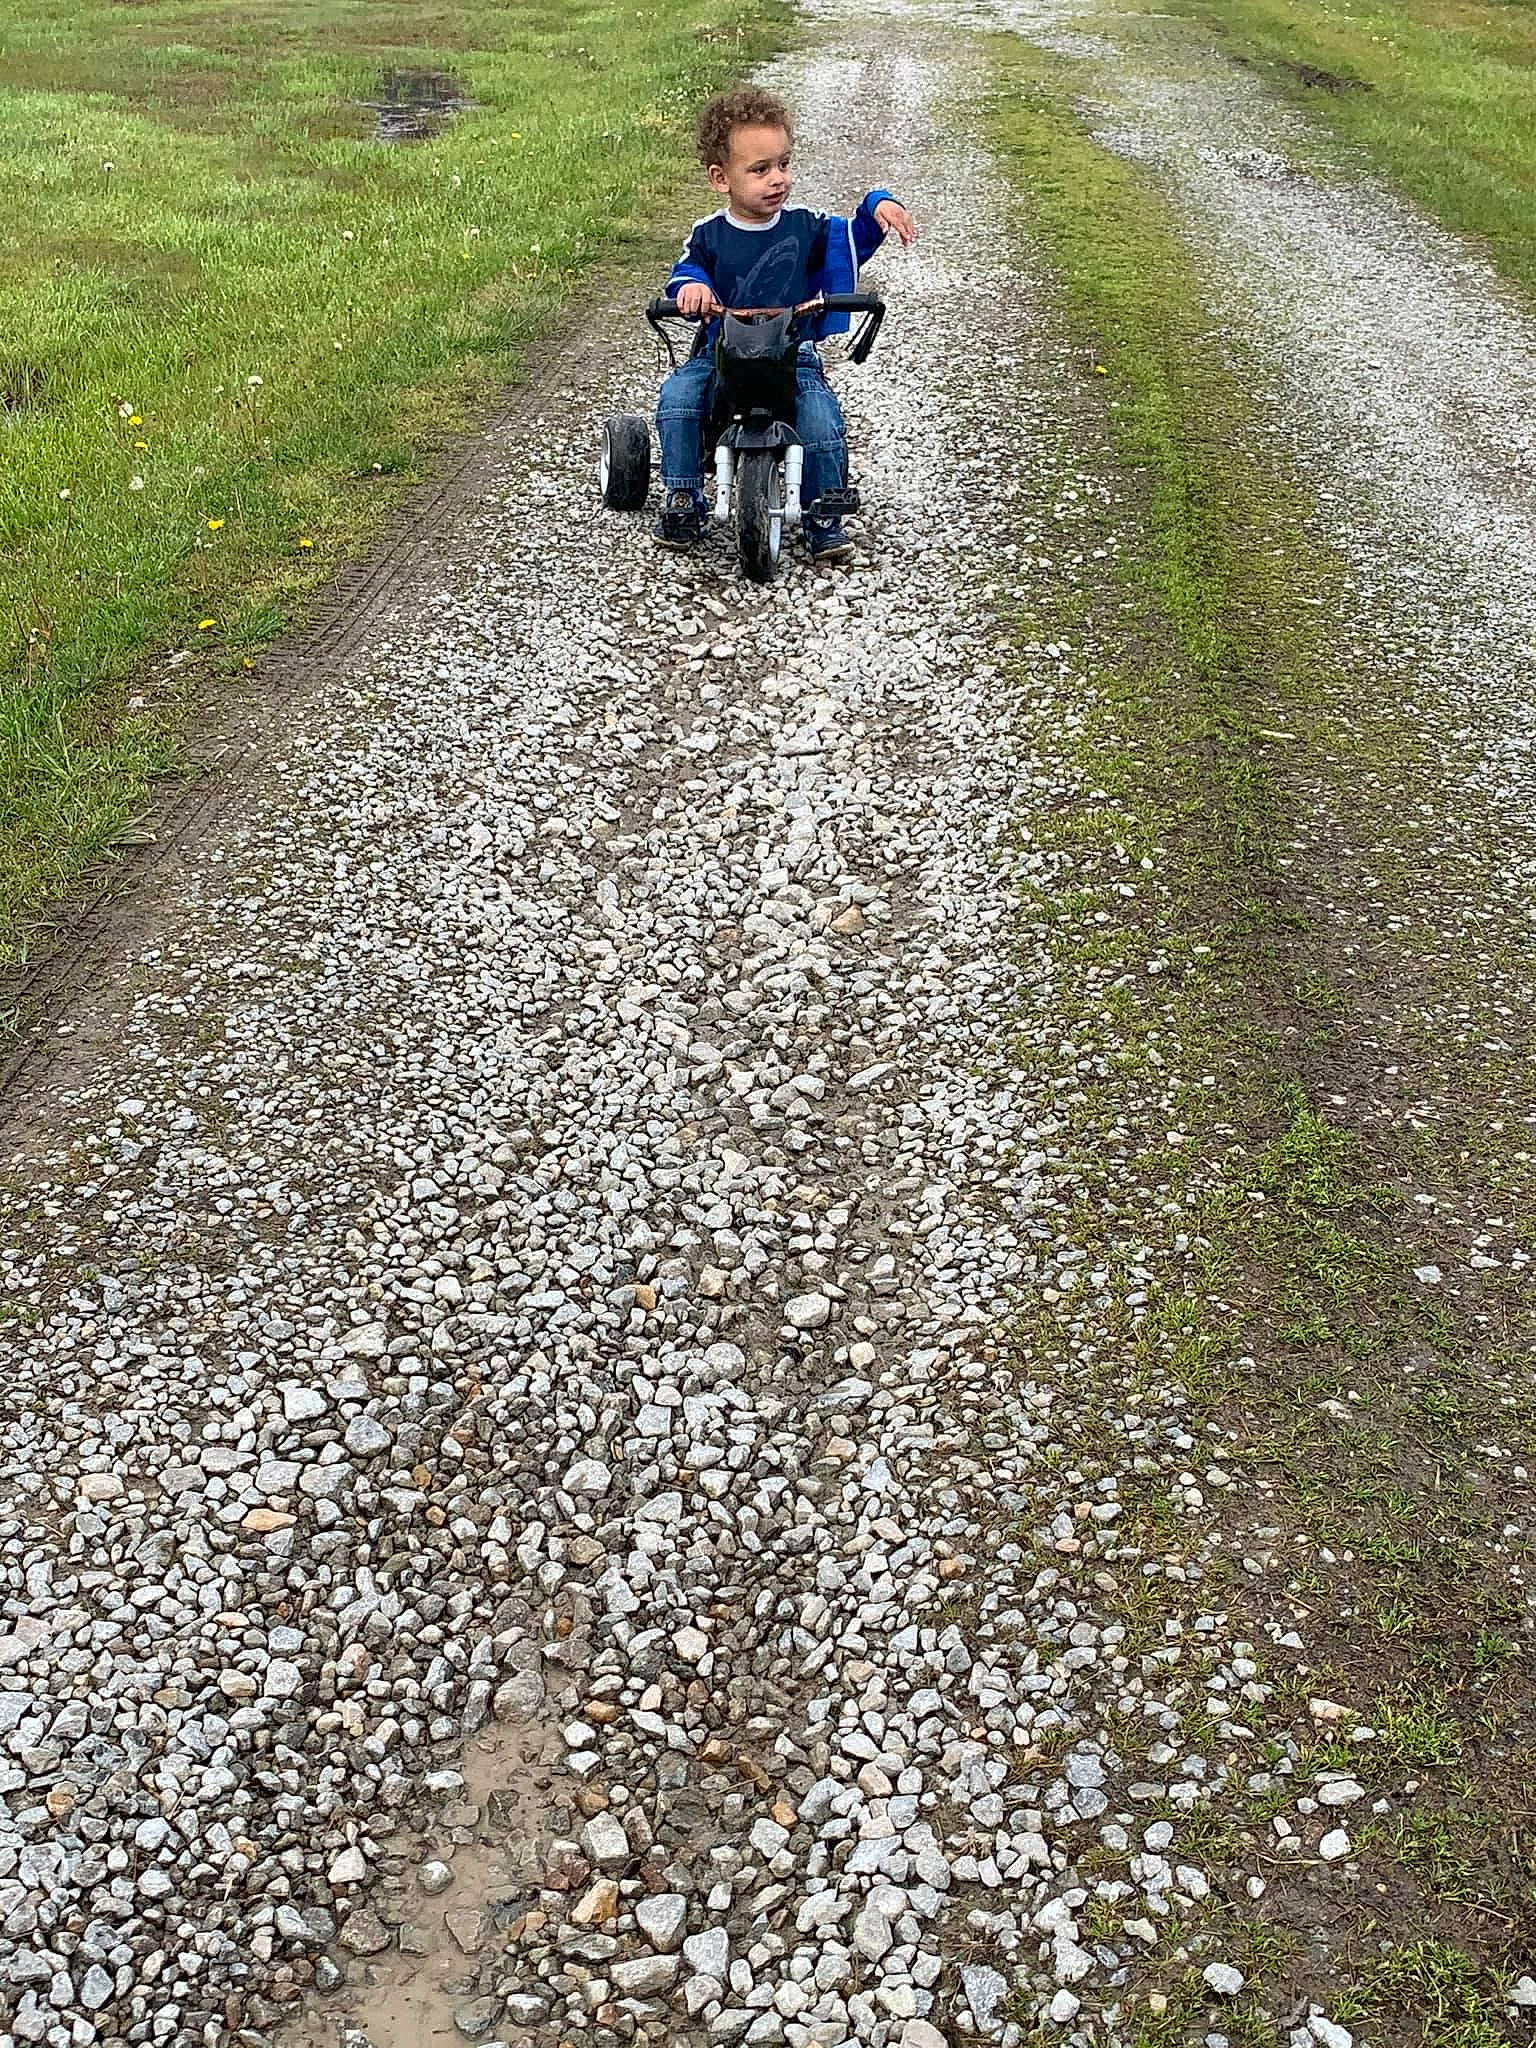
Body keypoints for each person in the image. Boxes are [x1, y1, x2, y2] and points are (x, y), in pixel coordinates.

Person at [654, 84, 916, 562]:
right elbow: (688, 271)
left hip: (792, 352)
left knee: (819, 416)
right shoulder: (709, 234)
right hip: (722, 349)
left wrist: (876, 205)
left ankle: (823, 511)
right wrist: (692, 290)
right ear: (721, 178)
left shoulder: (805, 225)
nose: (777, 179)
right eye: (760, 169)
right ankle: (683, 495)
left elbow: (851, 240)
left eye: (783, 164)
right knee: (679, 398)